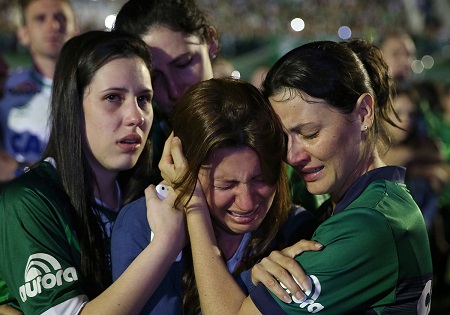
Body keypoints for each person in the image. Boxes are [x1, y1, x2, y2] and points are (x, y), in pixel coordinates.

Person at [159, 39, 433, 314]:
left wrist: (193, 204)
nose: (292, 156)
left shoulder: (369, 224)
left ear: (364, 113)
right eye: (283, 138)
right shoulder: (373, 205)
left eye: (310, 134)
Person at [0, 30, 187, 315]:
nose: (136, 116)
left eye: (143, 98)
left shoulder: (147, 193)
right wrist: (164, 245)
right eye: (113, 97)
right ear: (72, 106)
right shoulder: (28, 200)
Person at [111, 77, 321, 314]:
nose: (247, 202)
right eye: (226, 185)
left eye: (260, 180)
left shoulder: (298, 229)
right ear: (183, 165)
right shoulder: (142, 223)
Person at [113, 0, 219, 183]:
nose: (174, 90)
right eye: (154, 78)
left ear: (210, 41)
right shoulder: (137, 151)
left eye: (183, 63)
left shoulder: (264, 124)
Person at [0, 0, 78, 176]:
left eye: (60, 17)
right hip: (15, 196)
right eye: (40, 18)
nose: (53, 25)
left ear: (76, 31)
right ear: (23, 34)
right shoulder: (6, 84)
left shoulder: (94, 87)